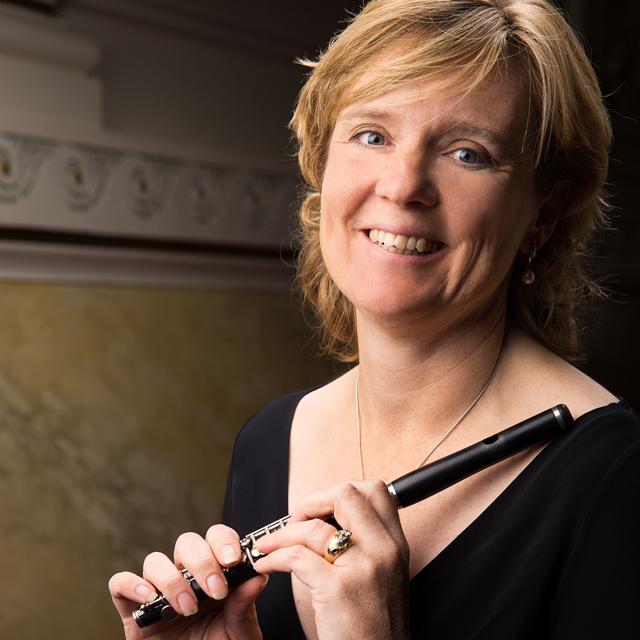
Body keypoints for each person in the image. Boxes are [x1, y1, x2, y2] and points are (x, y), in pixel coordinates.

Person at [109, 0, 640, 638]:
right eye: (372, 135)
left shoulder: (616, 476)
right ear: (320, 164)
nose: (402, 184)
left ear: (542, 213)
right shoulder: (268, 440)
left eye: (467, 153)